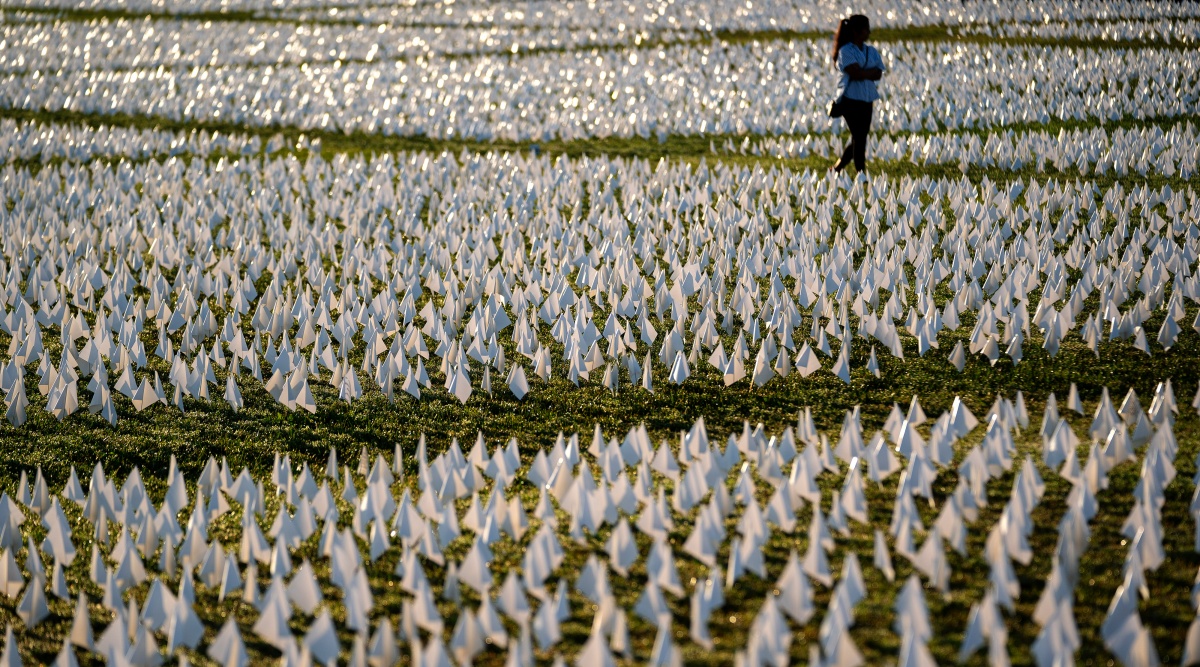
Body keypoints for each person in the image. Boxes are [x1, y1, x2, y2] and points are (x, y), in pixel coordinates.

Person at [831, 15, 885, 174]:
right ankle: (861, 174)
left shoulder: (871, 51)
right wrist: (868, 72)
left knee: (859, 138)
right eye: (866, 28)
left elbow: (878, 74)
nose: (869, 31)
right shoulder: (845, 51)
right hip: (850, 100)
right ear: (856, 31)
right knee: (859, 138)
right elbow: (855, 74)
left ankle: (838, 168)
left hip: (867, 99)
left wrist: (863, 73)